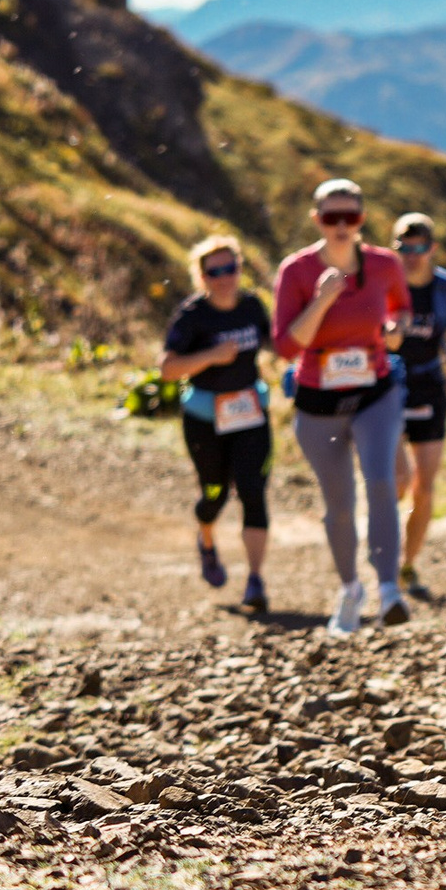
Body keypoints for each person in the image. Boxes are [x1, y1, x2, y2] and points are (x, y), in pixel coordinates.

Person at [271, 177, 413, 637]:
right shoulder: (296, 271)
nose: (341, 225)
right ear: (317, 220)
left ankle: (389, 589)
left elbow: (402, 309)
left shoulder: (385, 264)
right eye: (331, 217)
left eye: (349, 216)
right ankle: (351, 589)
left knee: (381, 482)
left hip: (375, 393)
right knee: (340, 503)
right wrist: (322, 300)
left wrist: (396, 329)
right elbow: (286, 347)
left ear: (362, 219)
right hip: (318, 403)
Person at [158, 235, 276, 613]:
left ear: (240, 270)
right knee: (215, 494)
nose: (224, 277)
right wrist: (211, 356)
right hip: (205, 420)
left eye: (231, 268)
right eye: (215, 272)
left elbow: (274, 343)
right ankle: (206, 538)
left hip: (251, 415)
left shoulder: (253, 306)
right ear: (202, 276)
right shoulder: (192, 316)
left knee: (253, 491)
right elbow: (167, 369)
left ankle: (255, 580)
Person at [388, 212, 446, 600]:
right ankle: (382, 555)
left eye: (420, 247)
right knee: (397, 480)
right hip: (386, 387)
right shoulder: (382, 284)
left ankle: (407, 566)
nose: (412, 255)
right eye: (404, 247)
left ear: (432, 248)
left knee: (424, 487)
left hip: (430, 387)